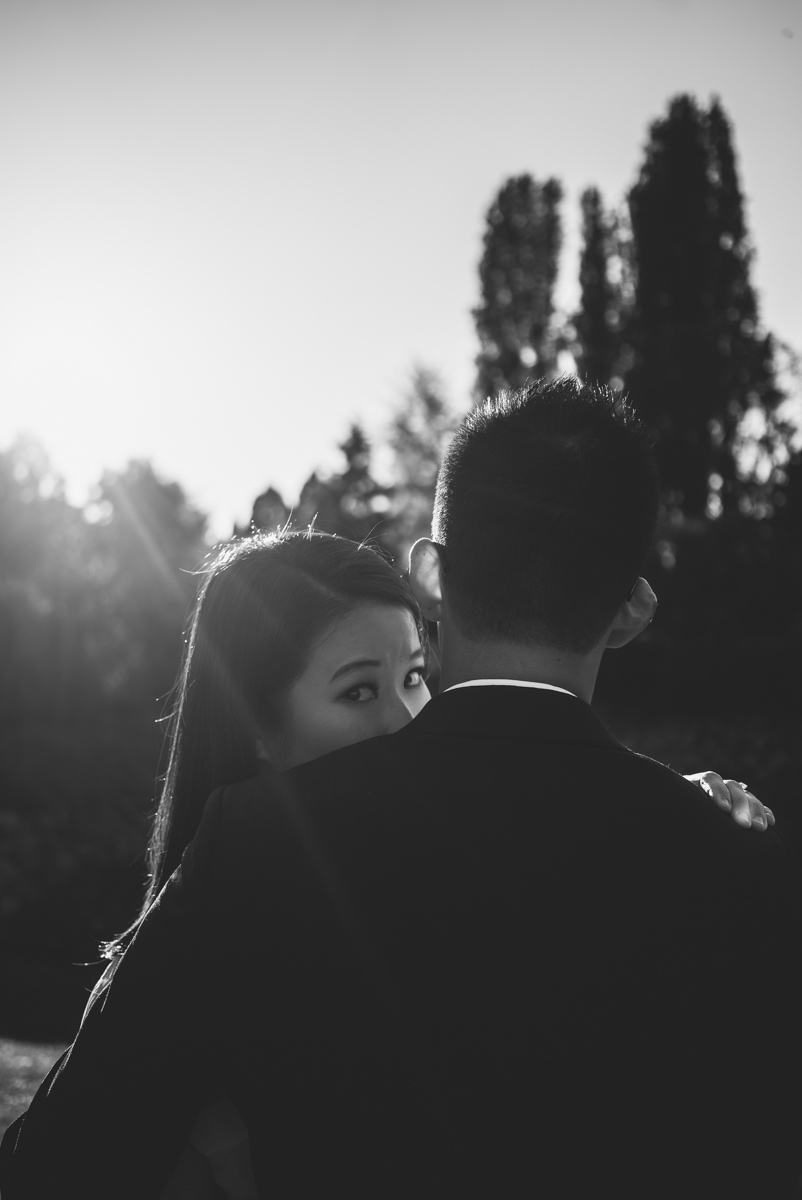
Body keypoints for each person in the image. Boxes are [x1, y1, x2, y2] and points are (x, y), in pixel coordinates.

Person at [1, 379, 798, 1197]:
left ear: (431, 574)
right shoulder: (738, 866)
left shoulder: (255, 842)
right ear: (631, 610)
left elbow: (52, 1167)